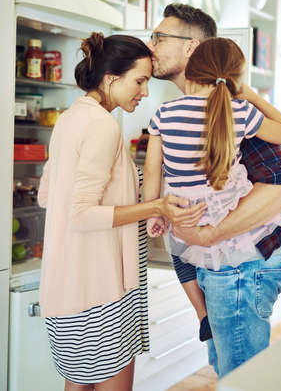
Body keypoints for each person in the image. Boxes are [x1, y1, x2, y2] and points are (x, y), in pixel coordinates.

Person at [37, 32, 206, 391]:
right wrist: (157, 205)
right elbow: (80, 215)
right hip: (102, 288)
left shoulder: (70, 118)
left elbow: (48, 197)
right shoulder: (103, 127)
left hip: (64, 287)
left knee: (78, 383)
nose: (144, 92)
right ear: (112, 78)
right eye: (140, 80)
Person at [144, 3, 281, 377]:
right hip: (218, 268)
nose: (150, 46)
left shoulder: (223, 113)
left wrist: (205, 231)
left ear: (191, 48)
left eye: (159, 37)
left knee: (241, 373)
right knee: (229, 370)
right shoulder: (223, 113)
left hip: (240, 267)